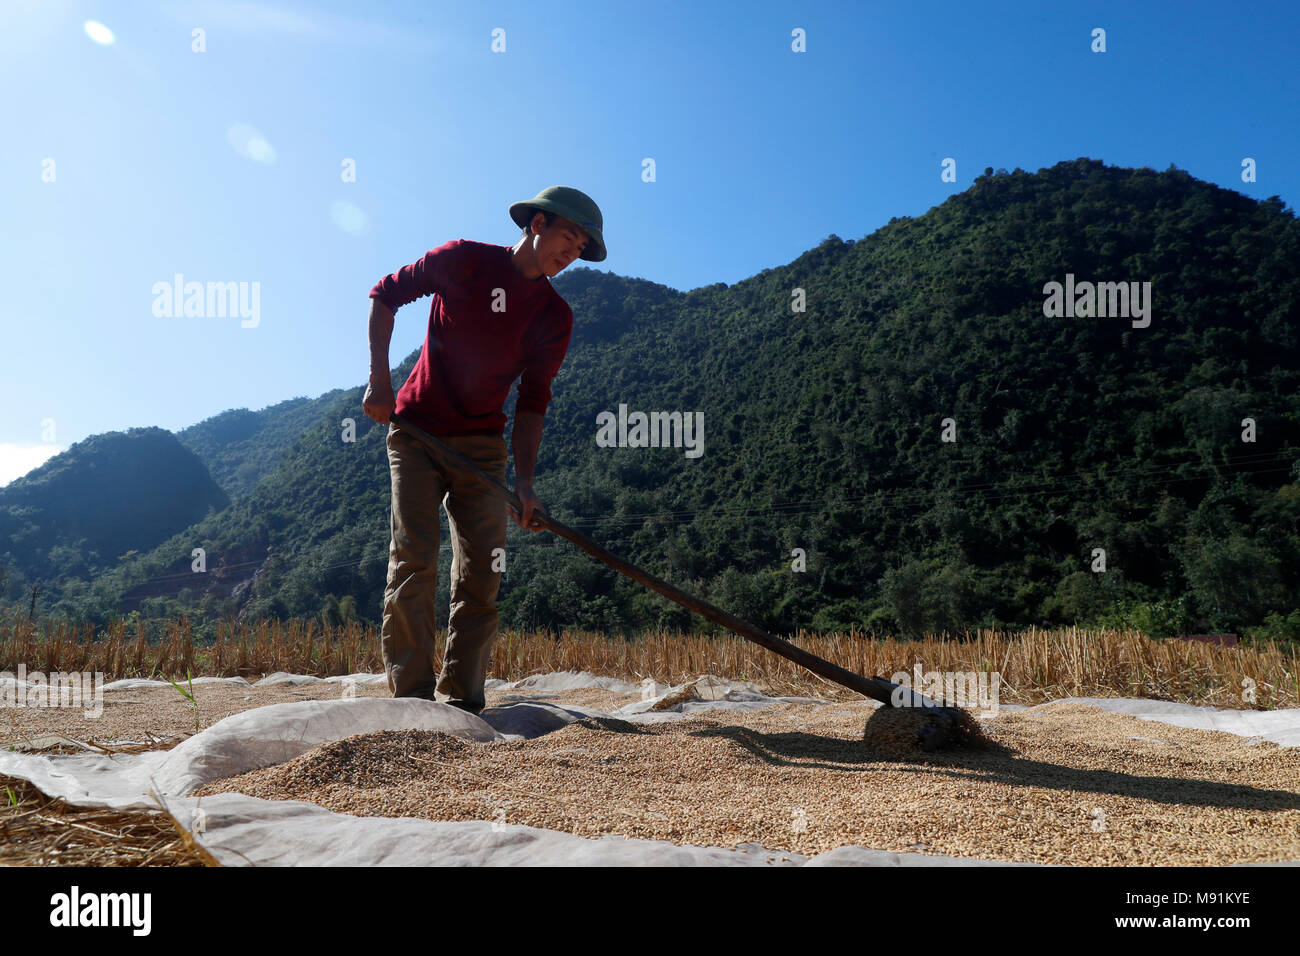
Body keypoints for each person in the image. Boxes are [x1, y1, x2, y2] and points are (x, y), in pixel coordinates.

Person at [362, 186, 606, 714]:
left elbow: (534, 400)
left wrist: (524, 485)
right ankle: (412, 701)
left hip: (482, 447)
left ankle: (463, 704)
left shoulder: (554, 317)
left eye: (582, 247)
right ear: (537, 223)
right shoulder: (463, 261)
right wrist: (380, 382)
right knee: (414, 560)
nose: (573, 253)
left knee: (482, 573)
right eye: (569, 237)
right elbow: (386, 294)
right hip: (416, 432)